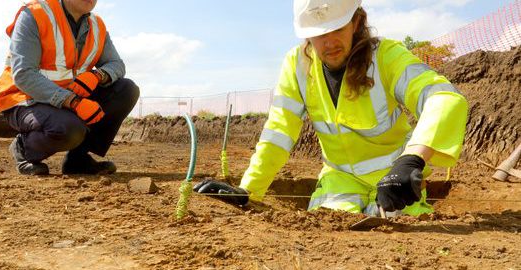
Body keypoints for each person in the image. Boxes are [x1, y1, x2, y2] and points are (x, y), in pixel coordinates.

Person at [194, 0, 468, 216]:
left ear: (356, 22)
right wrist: (248, 190)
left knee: (400, 226)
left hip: (394, 180)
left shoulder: (387, 57)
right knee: (327, 225)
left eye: (337, 28)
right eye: (318, 34)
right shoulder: (296, 67)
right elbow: (278, 131)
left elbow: (444, 98)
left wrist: (411, 161)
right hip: (339, 181)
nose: (328, 42)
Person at [0, 0, 139, 175]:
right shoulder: (35, 15)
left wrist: (97, 76)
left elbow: (116, 64)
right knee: (70, 130)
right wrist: (74, 102)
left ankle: (78, 160)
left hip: (67, 98)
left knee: (126, 90)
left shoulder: (96, 26)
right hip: (24, 98)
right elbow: (24, 74)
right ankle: (23, 149)